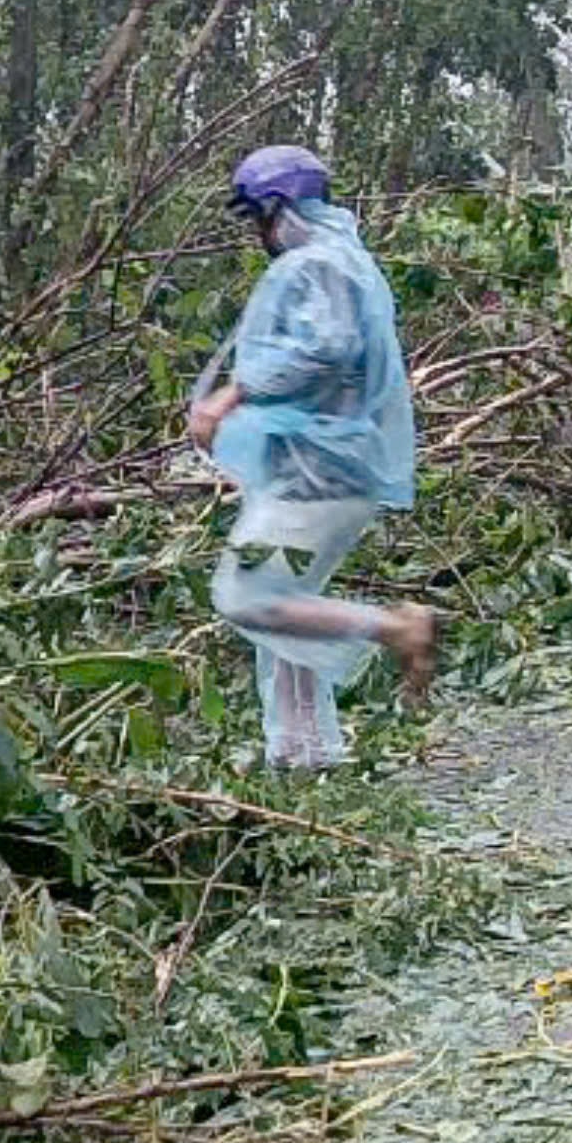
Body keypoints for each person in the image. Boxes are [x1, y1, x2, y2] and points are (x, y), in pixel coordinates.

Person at [188, 146, 435, 769]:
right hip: (322, 473)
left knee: (246, 597)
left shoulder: (317, 267)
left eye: (259, 218)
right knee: (288, 614)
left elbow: (327, 349)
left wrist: (233, 393)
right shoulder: (346, 262)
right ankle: (305, 751)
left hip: (316, 480)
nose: (258, 234)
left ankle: (398, 627)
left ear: (280, 206)